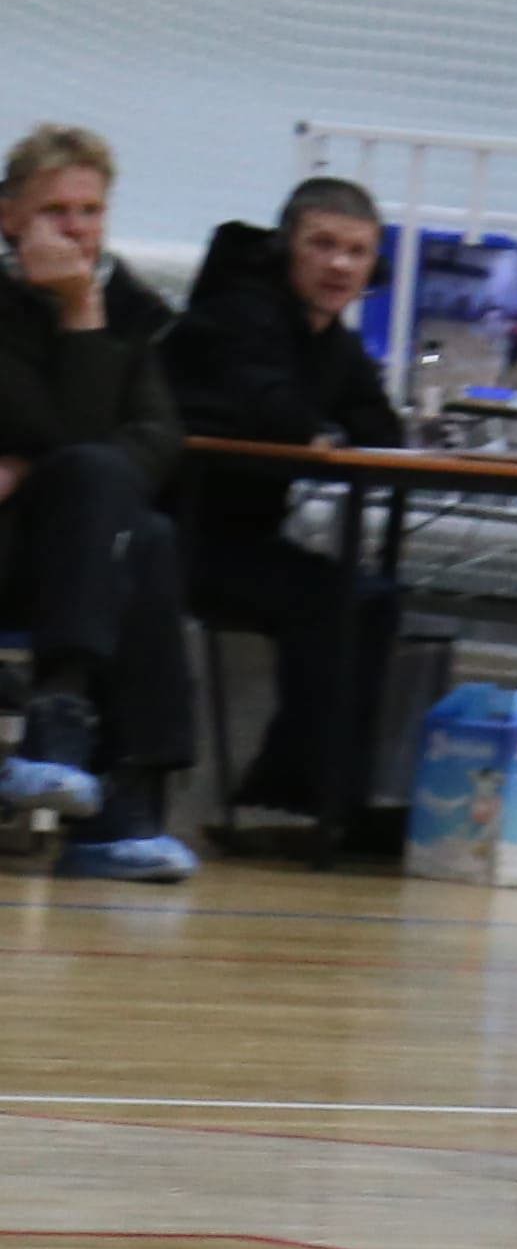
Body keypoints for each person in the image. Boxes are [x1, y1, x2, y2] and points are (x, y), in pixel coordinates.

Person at [160, 168, 410, 843]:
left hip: (242, 540)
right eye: (322, 245)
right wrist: (322, 429)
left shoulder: (332, 340)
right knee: (336, 601)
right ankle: (292, 802)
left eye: (356, 252)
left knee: (372, 598)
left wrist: (337, 428)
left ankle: (317, 797)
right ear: (284, 250)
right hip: (174, 538)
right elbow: (273, 412)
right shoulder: (236, 313)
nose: (340, 266)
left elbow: (381, 430)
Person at [0, 124, 197, 881]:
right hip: (11, 543)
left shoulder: (128, 307)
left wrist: (86, 306)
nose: (77, 229)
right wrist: (80, 312)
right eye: (56, 211)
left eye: (91, 211)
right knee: (122, 514)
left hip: (76, 549)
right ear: (10, 216)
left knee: (136, 525)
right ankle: (116, 806)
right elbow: (55, 427)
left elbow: (158, 437)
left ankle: (67, 726)